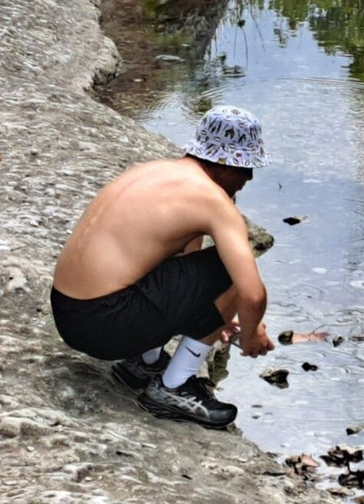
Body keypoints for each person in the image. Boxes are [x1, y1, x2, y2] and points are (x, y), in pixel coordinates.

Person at [50, 105, 276, 428]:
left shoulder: (154, 171)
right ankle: (172, 388)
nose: (249, 177)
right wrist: (252, 334)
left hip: (69, 313)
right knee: (230, 270)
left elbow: (179, 267)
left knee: (184, 258)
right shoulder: (213, 201)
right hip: (103, 324)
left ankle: (144, 362)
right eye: (246, 167)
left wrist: (211, 315)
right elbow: (252, 295)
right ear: (226, 164)